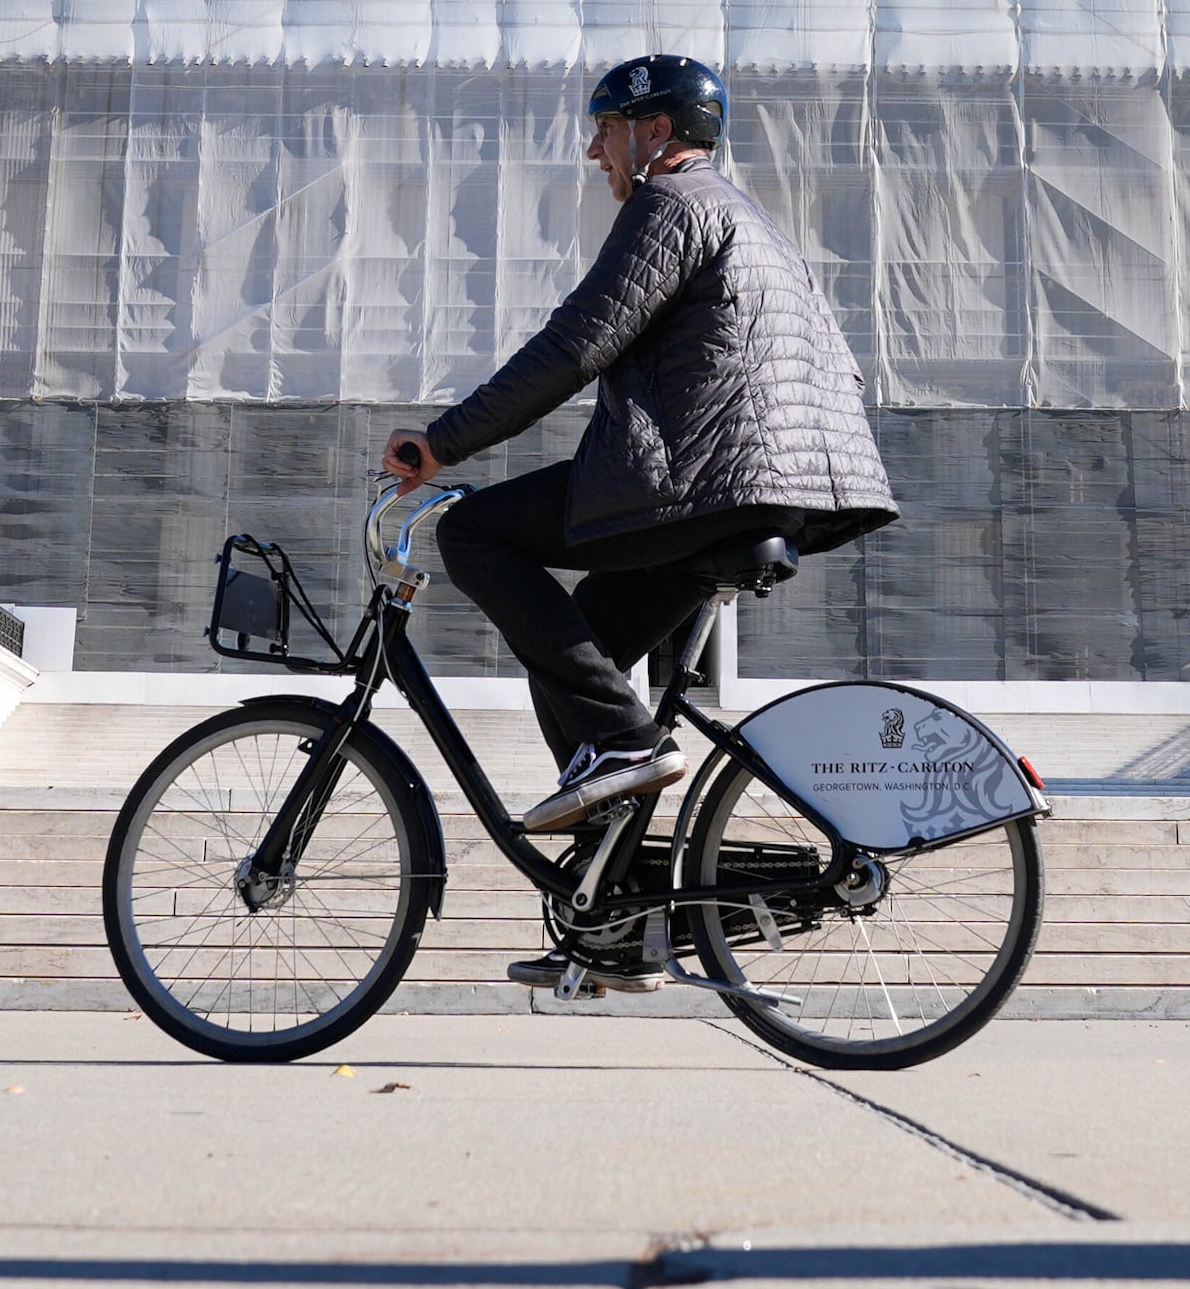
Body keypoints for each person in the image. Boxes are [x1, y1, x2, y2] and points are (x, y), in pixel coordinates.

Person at [382, 54, 896, 977]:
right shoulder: (752, 219)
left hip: (709, 482)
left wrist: (444, 443)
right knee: (574, 658)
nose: (593, 151)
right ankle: (617, 919)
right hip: (764, 485)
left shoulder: (670, 207)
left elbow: (577, 345)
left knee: (473, 531)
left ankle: (621, 746)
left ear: (653, 132)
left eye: (603, 129)